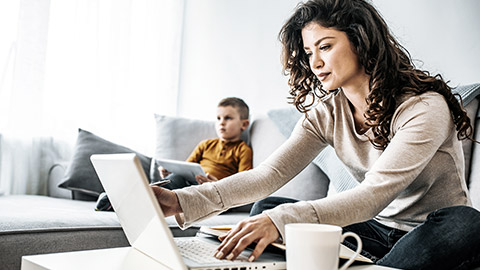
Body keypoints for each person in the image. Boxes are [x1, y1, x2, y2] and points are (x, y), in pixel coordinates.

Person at [152, 0, 480, 269]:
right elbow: (269, 174)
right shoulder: (327, 113)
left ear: (361, 41)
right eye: (309, 52)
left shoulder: (424, 108)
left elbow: (374, 194)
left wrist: (283, 219)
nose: (316, 62)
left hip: (431, 229)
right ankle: (375, 263)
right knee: (268, 205)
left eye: (325, 46)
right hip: (375, 229)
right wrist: (181, 199)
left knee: (466, 224)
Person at [160, 97, 253, 189]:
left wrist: (217, 185)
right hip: (189, 182)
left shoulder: (243, 150)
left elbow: (243, 183)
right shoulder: (206, 144)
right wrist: (170, 173)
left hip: (212, 189)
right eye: (218, 118)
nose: (221, 123)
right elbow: (186, 168)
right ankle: (156, 191)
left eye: (228, 118)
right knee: (175, 178)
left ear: (244, 124)